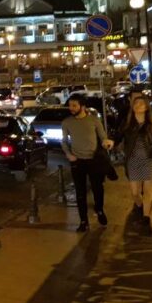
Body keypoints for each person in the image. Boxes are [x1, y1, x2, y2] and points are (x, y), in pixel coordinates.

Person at [115, 95, 152, 235]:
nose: (138, 105)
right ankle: (139, 208)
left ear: (146, 107)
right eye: (135, 103)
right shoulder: (127, 123)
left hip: (150, 159)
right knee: (135, 193)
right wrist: (111, 143)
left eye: (141, 103)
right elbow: (118, 137)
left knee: (148, 190)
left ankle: (146, 218)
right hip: (133, 160)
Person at [60, 94, 115, 232]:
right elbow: (64, 141)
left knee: (98, 188)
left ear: (82, 106)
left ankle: (99, 209)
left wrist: (107, 143)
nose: (71, 108)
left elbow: (103, 137)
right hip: (77, 161)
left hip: (94, 160)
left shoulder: (94, 120)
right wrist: (68, 154)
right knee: (80, 192)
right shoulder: (67, 122)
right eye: (70, 105)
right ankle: (83, 221)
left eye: (74, 105)